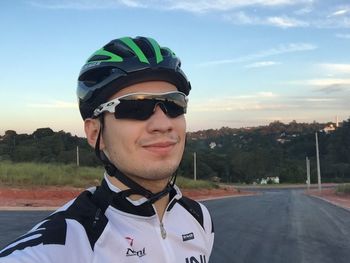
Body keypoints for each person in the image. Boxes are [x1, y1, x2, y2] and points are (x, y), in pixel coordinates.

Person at [0, 36, 214, 262]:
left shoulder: (199, 218)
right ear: (95, 134)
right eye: (135, 107)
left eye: (174, 104)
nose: (163, 124)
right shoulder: (61, 245)